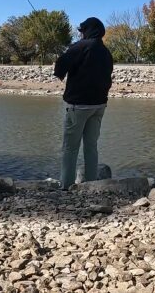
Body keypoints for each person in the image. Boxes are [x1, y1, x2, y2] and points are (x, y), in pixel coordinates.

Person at [53, 17, 113, 190]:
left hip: (78, 106)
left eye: (82, 31)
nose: (81, 34)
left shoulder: (80, 47)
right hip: (99, 106)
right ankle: (91, 185)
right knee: (91, 147)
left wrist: (63, 61)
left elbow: (60, 68)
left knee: (70, 148)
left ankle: (66, 186)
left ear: (87, 31)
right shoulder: (106, 52)